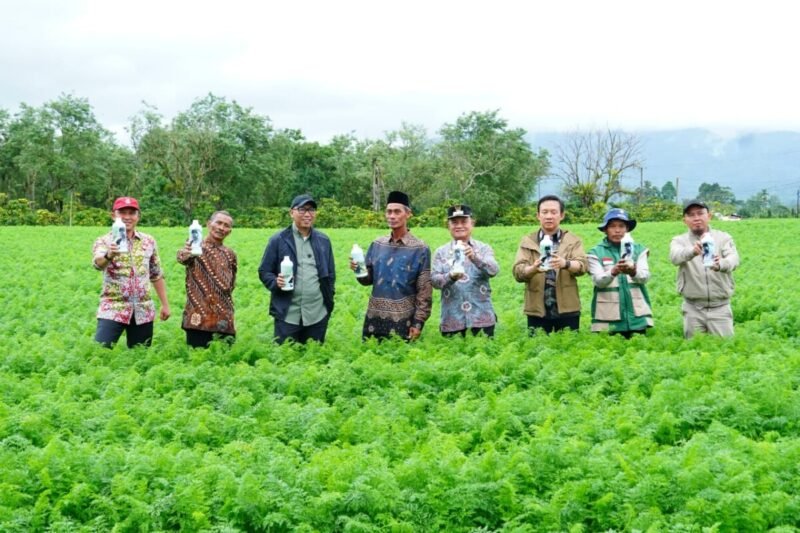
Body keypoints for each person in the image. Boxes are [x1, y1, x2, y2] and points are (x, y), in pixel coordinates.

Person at [351, 191, 432, 341]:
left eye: (397, 212)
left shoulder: (420, 249)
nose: (392, 216)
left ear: (408, 214)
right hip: (374, 319)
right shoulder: (377, 244)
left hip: (404, 321)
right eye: (389, 212)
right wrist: (358, 269)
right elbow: (367, 280)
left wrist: (418, 322)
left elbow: (424, 290)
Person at [92, 196, 170, 348]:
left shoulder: (148, 241)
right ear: (113, 215)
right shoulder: (104, 241)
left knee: (139, 356)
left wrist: (165, 305)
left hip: (143, 310)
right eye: (122, 213)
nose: (127, 217)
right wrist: (110, 255)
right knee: (100, 351)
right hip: (113, 307)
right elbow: (98, 263)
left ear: (138, 216)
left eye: (131, 213)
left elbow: (156, 274)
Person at [258, 195, 335, 344]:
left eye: (312, 210)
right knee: (285, 360)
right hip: (287, 314)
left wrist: (328, 301)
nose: (307, 214)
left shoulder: (323, 241)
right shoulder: (278, 240)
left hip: (317, 313)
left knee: (314, 362)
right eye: (302, 209)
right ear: (291, 213)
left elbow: (330, 274)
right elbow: (264, 271)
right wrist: (275, 282)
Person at [512, 195, 587, 334]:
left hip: (568, 309)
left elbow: (582, 265)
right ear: (538, 216)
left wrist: (565, 263)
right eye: (544, 212)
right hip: (537, 310)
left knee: (568, 350)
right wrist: (533, 269)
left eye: (553, 212)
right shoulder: (528, 242)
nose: (549, 216)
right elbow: (518, 271)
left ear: (562, 215)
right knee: (537, 350)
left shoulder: (573, 240)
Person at [670, 199, 739, 338]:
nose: (696, 218)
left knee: (724, 352)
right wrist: (692, 251)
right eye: (691, 215)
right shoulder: (679, 241)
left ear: (709, 216)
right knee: (694, 352)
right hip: (693, 308)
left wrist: (721, 264)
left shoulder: (723, 237)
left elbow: (734, 259)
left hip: (720, 307)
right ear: (685, 220)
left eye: (700, 213)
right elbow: (675, 257)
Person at [431, 204, 499, 337]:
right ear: (448, 226)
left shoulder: (483, 248)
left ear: (472, 223)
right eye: (454, 222)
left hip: (482, 319)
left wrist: (474, 257)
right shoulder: (441, 252)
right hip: (452, 320)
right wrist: (450, 277)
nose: (459, 226)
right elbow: (434, 281)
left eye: (464, 221)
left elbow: (493, 270)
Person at [587, 208, 653, 338]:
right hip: (607, 316)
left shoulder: (639, 250)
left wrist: (633, 272)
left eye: (621, 226)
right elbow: (598, 281)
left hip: (636, 316)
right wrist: (613, 272)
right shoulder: (595, 252)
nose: (617, 230)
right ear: (605, 229)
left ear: (627, 229)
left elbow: (644, 277)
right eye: (612, 226)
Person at [177, 211, 237, 348]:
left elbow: (232, 282)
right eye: (219, 223)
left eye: (226, 225)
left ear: (230, 231)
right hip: (198, 317)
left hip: (224, 318)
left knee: (225, 362)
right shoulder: (195, 247)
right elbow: (182, 257)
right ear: (209, 225)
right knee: (198, 361)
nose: (222, 228)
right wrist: (187, 252)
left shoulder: (230, 254)